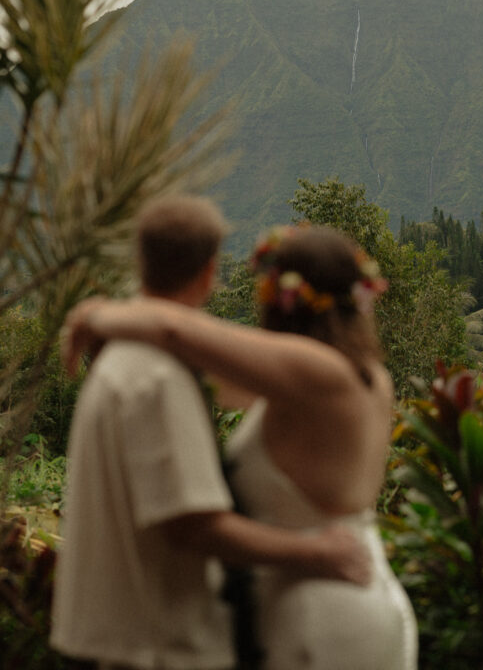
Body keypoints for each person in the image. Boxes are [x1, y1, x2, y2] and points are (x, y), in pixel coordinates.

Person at [62, 222, 418, 670]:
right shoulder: (360, 377)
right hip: (354, 592)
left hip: (322, 612)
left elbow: (179, 333)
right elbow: (210, 370)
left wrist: (93, 315)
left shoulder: (321, 371)